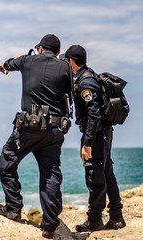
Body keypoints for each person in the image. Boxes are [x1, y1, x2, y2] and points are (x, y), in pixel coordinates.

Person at [0, 34, 72, 239]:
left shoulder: (27, 60)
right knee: (50, 174)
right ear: (57, 52)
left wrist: (4, 66)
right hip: (54, 131)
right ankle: (49, 225)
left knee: (6, 162)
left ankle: (13, 208)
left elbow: (9, 63)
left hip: (28, 129)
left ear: (40, 48)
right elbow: (68, 97)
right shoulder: (65, 67)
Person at [62, 45, 126, 232]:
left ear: (71, 61)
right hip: (103, 133)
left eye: (67, 61)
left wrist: (87, 143)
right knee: (107, 174)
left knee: (95, 176)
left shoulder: (85, 83)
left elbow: (94, 115)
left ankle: (95, 220)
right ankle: (116, 217)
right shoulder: (87, 76)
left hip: (96, 134)